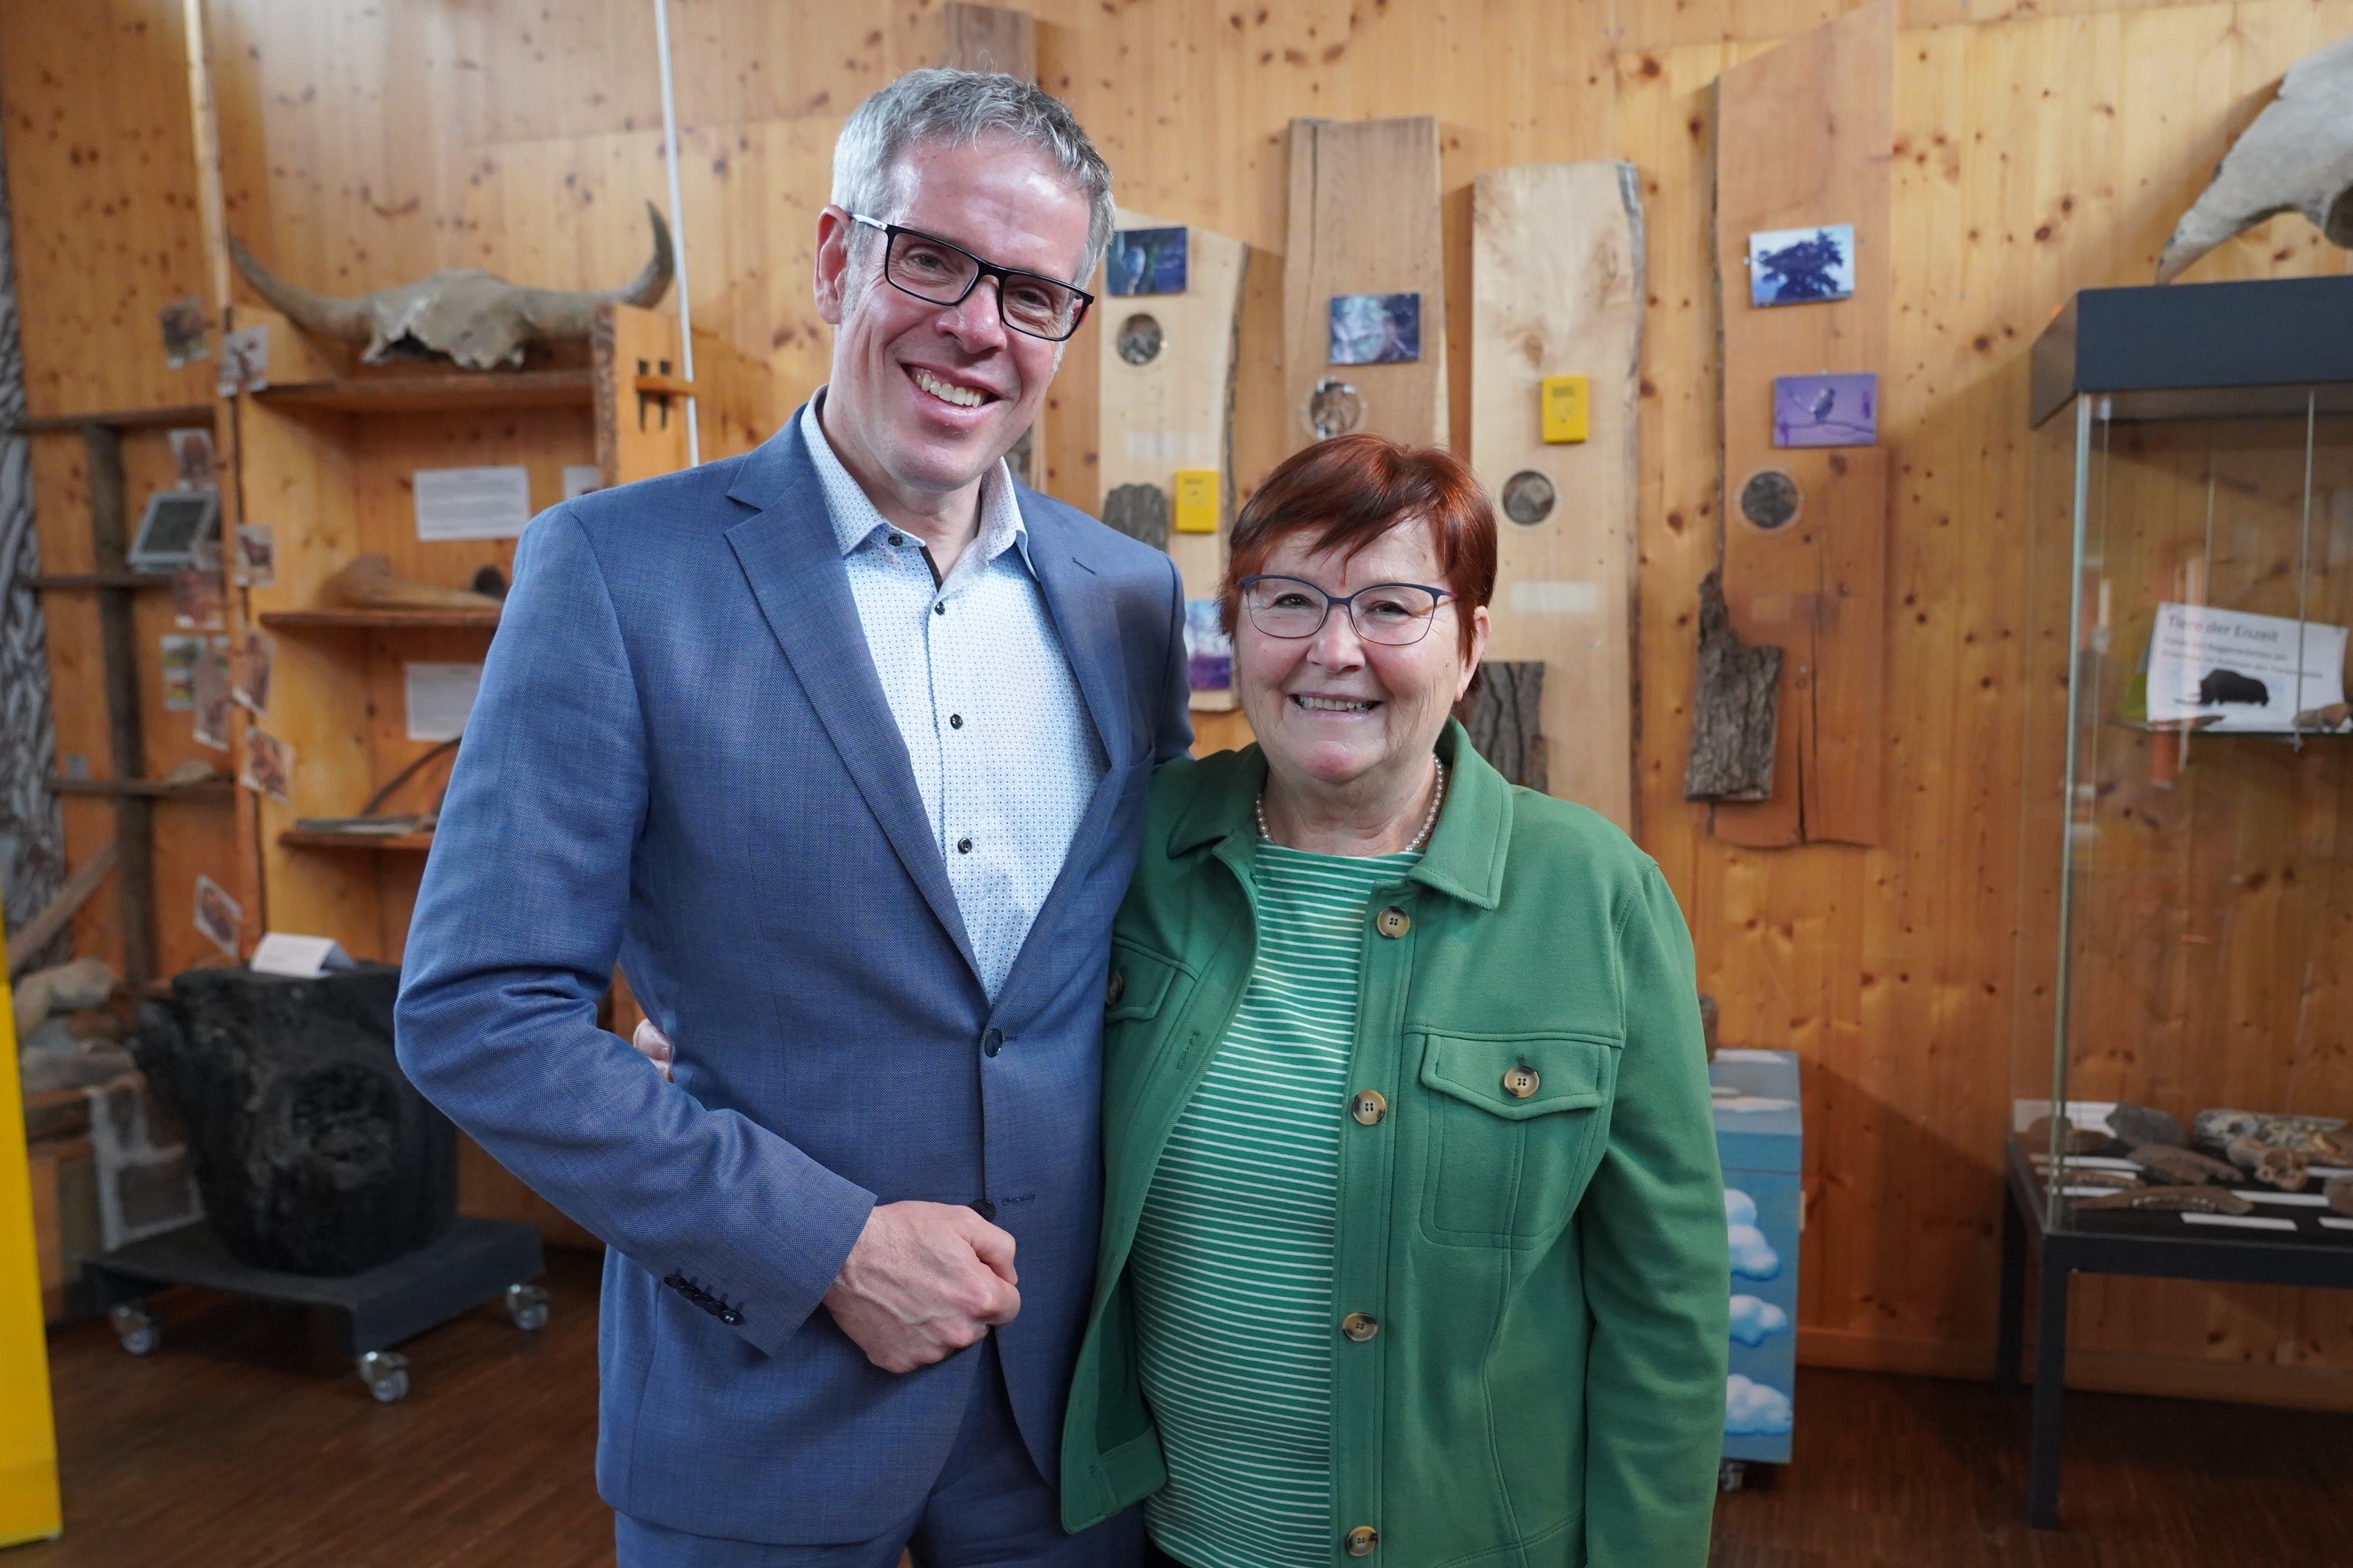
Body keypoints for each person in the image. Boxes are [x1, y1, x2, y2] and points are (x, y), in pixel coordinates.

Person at [394, 69, 1187, 1567]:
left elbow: (1135, 964)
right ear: (838, 258)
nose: (977, 329)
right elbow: (478, 1010)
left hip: (1064, 1413)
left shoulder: (1127, 602)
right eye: (933, 259)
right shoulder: (616, 573)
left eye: (1033, 295)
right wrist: (822, 1244)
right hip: (757, 1395)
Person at [1056, 434, 1730, 1568]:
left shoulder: (1595, 895)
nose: (1334, 648)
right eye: (1291, 598)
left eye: (1390, 605)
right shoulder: (1137, 849)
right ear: (1234, 627)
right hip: (1170, 1542)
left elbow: (1665, 1307)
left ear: (1470, 644)